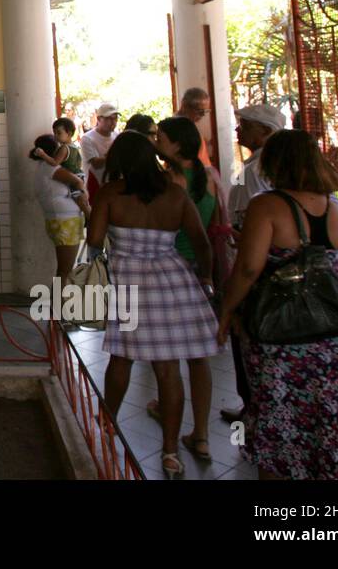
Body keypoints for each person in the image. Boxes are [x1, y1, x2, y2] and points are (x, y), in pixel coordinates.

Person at [216, 130, 338, 480]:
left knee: (281, 411)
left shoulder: (267, 204)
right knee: (332, 411)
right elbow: (331, 260)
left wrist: (226, 310)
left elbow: (249, 268)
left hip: (281, 332)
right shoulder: (332, 205)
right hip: (333, 332)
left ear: (275, 162)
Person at [88, 132, 216, 479]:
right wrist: (205, 277)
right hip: (172, 279)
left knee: (121, 355)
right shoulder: (175, 194)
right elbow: (201, 242)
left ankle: (105, 422)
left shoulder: (112, 193)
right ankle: (171, 452)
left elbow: (94, 240)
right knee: (168, 368)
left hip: (127, 278)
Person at [145, 116, 223, 462]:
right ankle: (202, 436)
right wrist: (208, 275)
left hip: (167, 271)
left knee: (167, 359)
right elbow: (214, 228)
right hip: (198, 273)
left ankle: (170, 441)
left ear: (177, 144)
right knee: (199, 357)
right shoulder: (209, 177)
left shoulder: (168, 181)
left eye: (160, 137)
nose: (156, 140)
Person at [219, 102, 286, 424]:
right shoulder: (262, 168)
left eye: (244, 126)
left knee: (249, 338)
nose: (237, 130)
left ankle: (257, 409)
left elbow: (253, 232)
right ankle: (259, 407)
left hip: (258, 267)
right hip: (269, 265)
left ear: (265, 132)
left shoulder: (258, 172)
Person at [30, 135, 88, 282]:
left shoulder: (42, 167)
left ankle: (56, 303)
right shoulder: (51, 168)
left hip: (60, 221)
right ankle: (57, 304)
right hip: (65, 222)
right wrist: (84, 198)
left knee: (64, 269)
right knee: (65, 270)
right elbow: (77, 182)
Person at [31, 118, 90, 216]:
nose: (56, 136)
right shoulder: (75, 147)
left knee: (80, 200)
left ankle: (90, 217)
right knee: (81, 199)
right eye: (54, 133)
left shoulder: (64, 148)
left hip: (74, 177)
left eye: (58, 133)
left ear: (69, 133)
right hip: (79, 174)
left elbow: (55, 163)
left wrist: (43, 155)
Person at [79, 103, 120, 199]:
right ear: (98, 119)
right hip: (95, 185)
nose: (112, 122)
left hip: (113, 185)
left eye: (115, 118)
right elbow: (96, 164)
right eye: (108, 118)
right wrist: (114, 153)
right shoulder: (87, 138)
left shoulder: (117, 136)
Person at [177, 87, 215, 166]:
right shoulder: (177, 126)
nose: (203, 115)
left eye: (206, 111)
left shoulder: (189, 123)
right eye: (200, 111)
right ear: (185, 106)